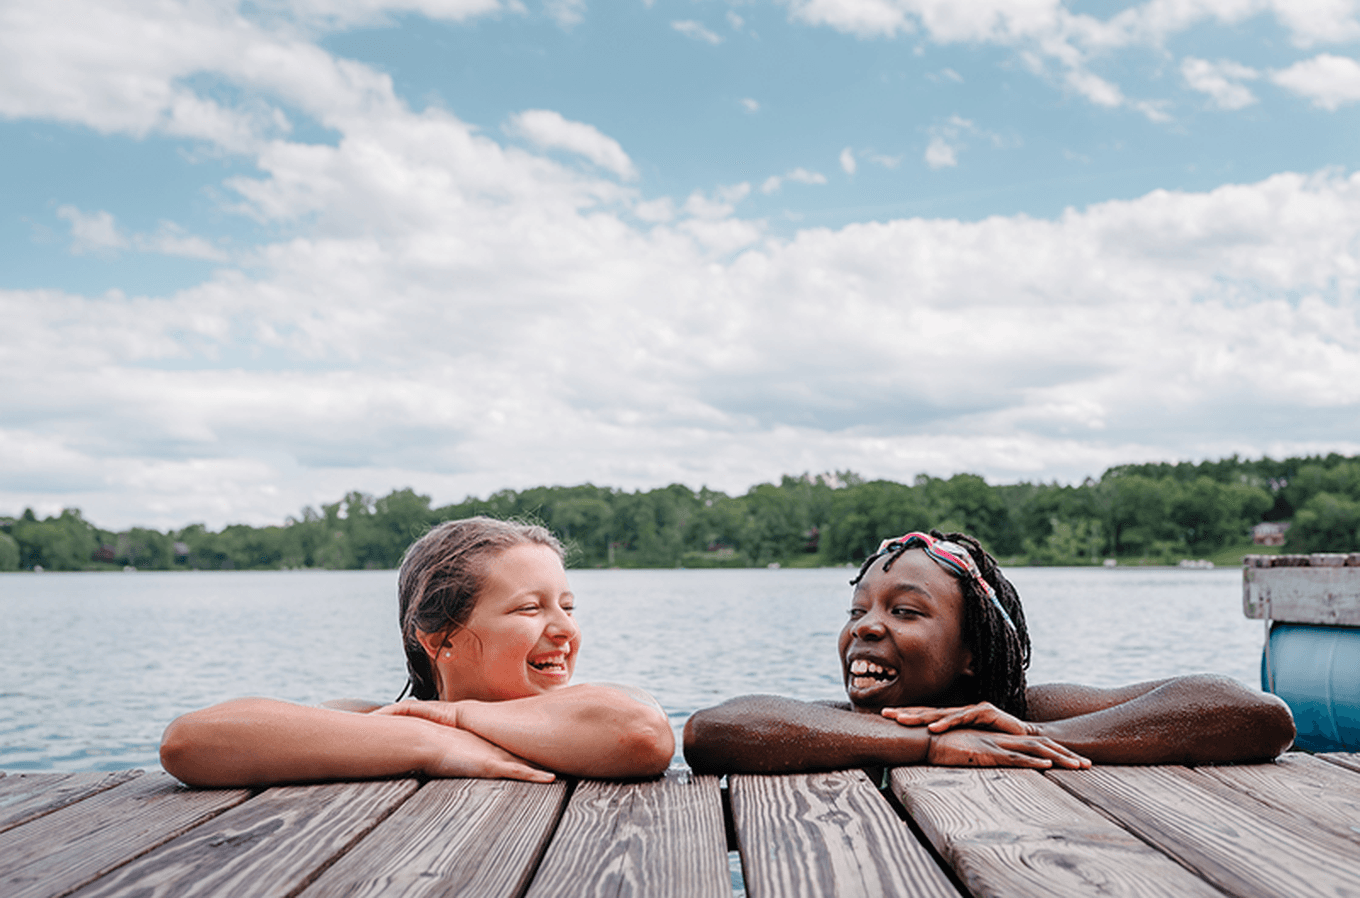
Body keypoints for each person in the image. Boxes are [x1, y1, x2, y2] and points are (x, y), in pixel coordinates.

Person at [683, 530, 1295, 774]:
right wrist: (929, 745)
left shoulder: (1022, 707)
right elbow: (711, 731)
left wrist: (1028, 740)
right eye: (857, 611)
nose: (866, 628)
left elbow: (1257, 714)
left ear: (973, 652)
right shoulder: (842, 723)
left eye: (904, 611)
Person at [161, 518, 674, 787]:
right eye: (528, 609)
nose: (564, 628)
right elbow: (188, 742)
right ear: (440, 639)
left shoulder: (592, 711)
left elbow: (642, 735)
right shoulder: (381, 723)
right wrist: (433, 744)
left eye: (567, 605)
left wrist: (453, 714)